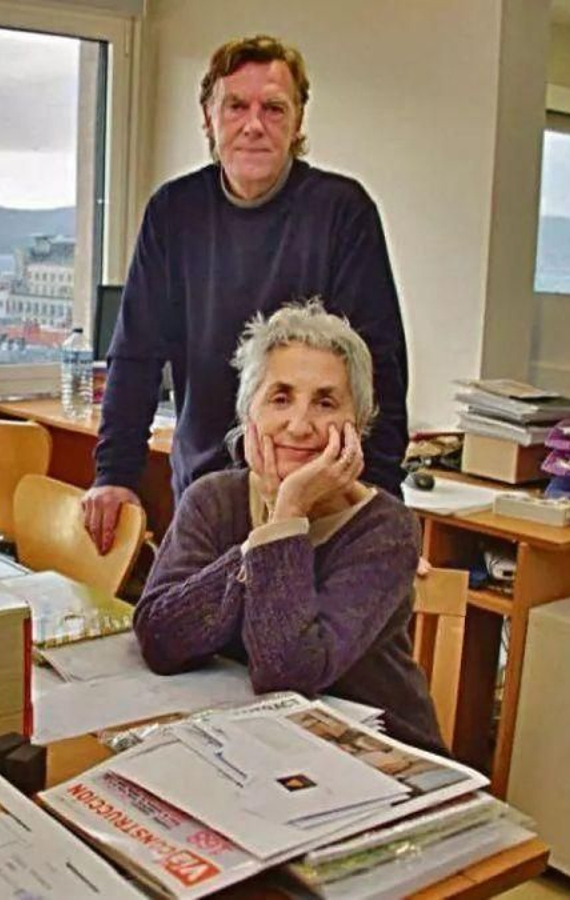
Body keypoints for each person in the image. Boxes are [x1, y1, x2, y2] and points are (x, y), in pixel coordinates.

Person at [82, 34, 409, 554]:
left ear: (298, 122)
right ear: (209, 119)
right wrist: (114, 472)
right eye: (236, 106)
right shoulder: (174, 212)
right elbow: (136, 353)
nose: (254, 124)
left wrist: (383, 509)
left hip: (317, 499)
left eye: (274, 109)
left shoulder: (343, 213)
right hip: (205, 493)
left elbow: (378, 368)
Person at [131, 301, 444, 755]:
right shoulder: (213, 498)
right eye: (280, 398)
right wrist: (266, 539)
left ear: (357, 423)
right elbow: (160, 639)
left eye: (325, 402)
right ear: (248, 413)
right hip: (252, 744)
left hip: (379, 753)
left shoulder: (386, 528)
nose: (299, 426)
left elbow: (289, 674)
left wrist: (288, 512)